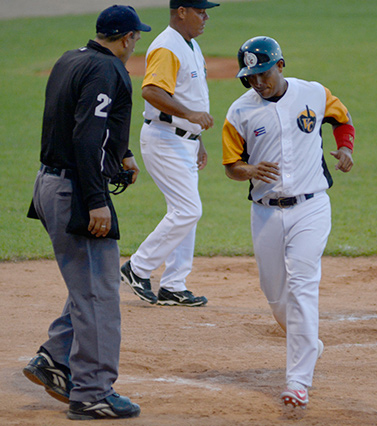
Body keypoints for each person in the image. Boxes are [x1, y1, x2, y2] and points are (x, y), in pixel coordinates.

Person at [23, 5, 151, 420]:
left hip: (49, 183)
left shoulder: (71, 58)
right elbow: (87, 134)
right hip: (76, 191)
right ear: (128, 38)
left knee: (90, 283)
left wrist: (123, 154)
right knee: (99, 296)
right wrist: (97, 199)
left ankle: (54, 358)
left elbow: (72, 120)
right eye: (136, 38)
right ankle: (92, 392)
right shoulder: (107, 70)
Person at [222, 36, 355, 409]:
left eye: (263, 73)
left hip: (311, 208)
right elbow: (232, 166)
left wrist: (345, 149)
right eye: (251, 77)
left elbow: (342, 120)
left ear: (280, 66)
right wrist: (249, 169)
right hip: (265, 212)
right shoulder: (240, 112)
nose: (258, 83)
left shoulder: (313, 93)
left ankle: (298, 381)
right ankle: (308, 340)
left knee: (301, 286)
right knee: (276, 293)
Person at [121, 0, 219, 307]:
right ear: (181, 12)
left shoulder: (189, 45)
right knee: (188, 210)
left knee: (184, 212)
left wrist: (196, 137)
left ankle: (174, 284)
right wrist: (189, 116)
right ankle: (137, 268)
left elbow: (188, 94)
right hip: (164, 140)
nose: (205, 17)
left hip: (183, 141)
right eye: (200, 11)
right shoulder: (167, 46)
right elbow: (151, 91)